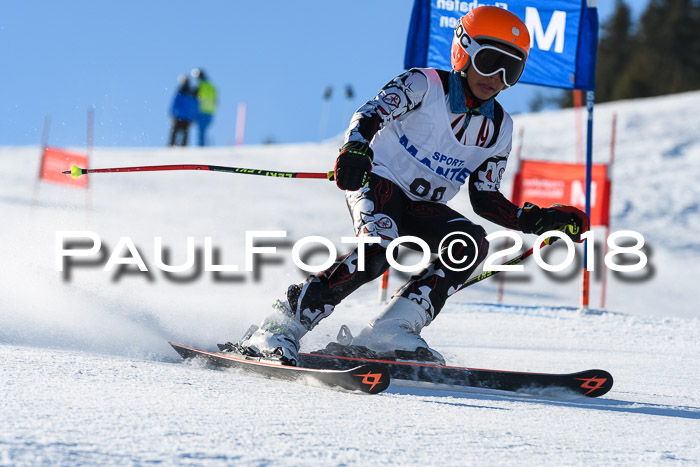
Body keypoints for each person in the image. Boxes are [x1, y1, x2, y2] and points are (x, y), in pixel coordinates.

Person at [230, 6, 590, 366]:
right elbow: (370, 113)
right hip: (380, 181)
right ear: (463, 51)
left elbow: (485, 199)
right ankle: (279, 326)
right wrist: (355, 149)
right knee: (379, 246)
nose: (496, 76)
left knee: (469, 243)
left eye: (510, 69)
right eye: (489, 60)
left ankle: (392, 332)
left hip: (422, 205)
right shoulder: (424, 84)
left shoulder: (500, 129)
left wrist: (539, 221)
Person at [168, 75, 198, 147]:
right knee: (184, 133)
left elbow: (175, 103)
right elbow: (194, 105)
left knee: (175, 132)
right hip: (187, 116)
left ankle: (171, 145)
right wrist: (193, 117)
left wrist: (172, 113)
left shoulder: (180, 91)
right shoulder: (192, 92)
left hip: (179, 115)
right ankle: (182, 146)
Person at [191, 68, 217, 146]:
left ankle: (201, 147)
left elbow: (195, 97)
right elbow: (215, 100)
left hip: (201, 111)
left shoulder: (200, 86)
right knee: (205, 131)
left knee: (201, 132)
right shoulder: (211, 86)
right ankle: (205, 146)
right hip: (210, 112)